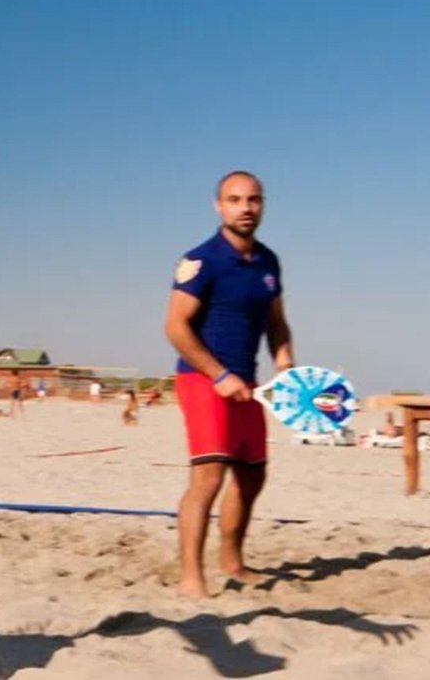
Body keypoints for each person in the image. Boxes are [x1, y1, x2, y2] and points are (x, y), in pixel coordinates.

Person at [164, 170, 293, 599]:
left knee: (253, 475)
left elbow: (276, 324)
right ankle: (191, 577)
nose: (245, 207)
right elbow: (175, 327)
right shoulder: (202, 260)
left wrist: (285, 365)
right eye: (235, 200)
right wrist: (218, 375)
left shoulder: (268, 262)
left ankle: (232, 561)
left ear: (263, 204)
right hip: (203, 380)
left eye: (253, 200)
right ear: (218, 206)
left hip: (249, 384)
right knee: (208, 477)